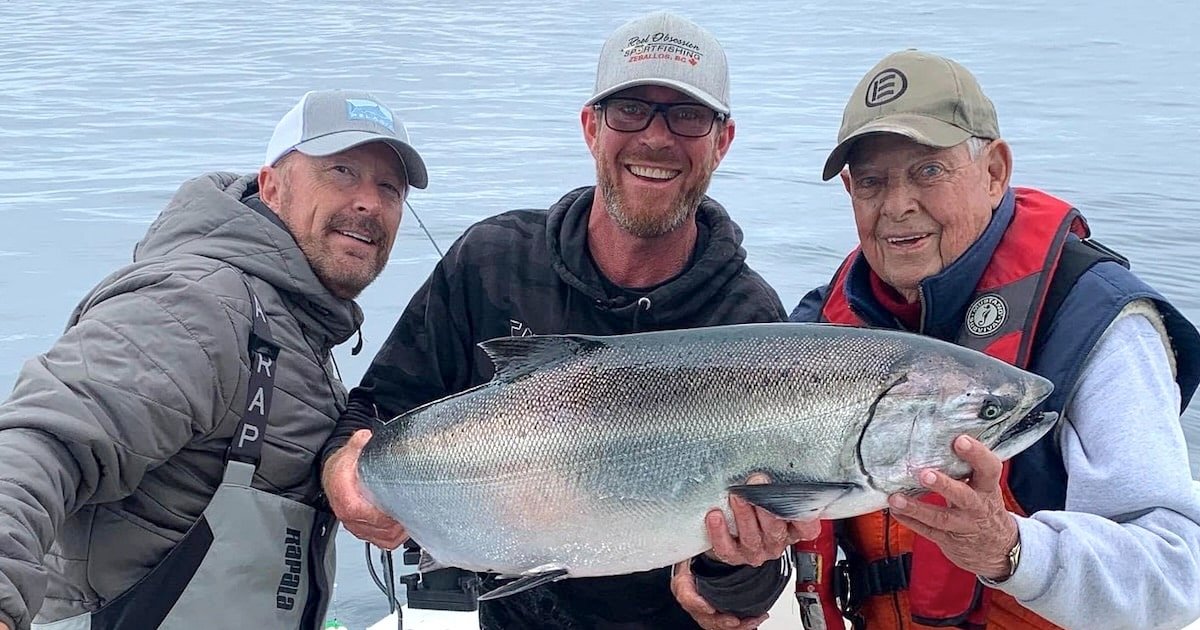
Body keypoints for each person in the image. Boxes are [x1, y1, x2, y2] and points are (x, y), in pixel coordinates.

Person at [320, 10, 817, 630]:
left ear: (723, 140)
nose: (655, 138)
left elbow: (743, 594)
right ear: (591, 127)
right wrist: (345, 472)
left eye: (687, 116)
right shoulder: (491, 262)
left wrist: (729, 575)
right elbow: (375, 411)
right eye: (630, 109)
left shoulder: (747, 322)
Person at [677, 49, 1200, 630]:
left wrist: (1011, 551)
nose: (898, 206)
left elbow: (1179, 575)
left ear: (995, 171)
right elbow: (756, 544)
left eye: (928, 170)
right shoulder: (822, 331)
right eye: (872, 182)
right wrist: (728, 574)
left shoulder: (1094, 326)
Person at [0, 89, 428, 630]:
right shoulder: (196, 305)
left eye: (389, 187)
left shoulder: (296, 325)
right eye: (342, 171)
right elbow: (39, 443)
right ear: (272, 187)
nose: (369, 202)